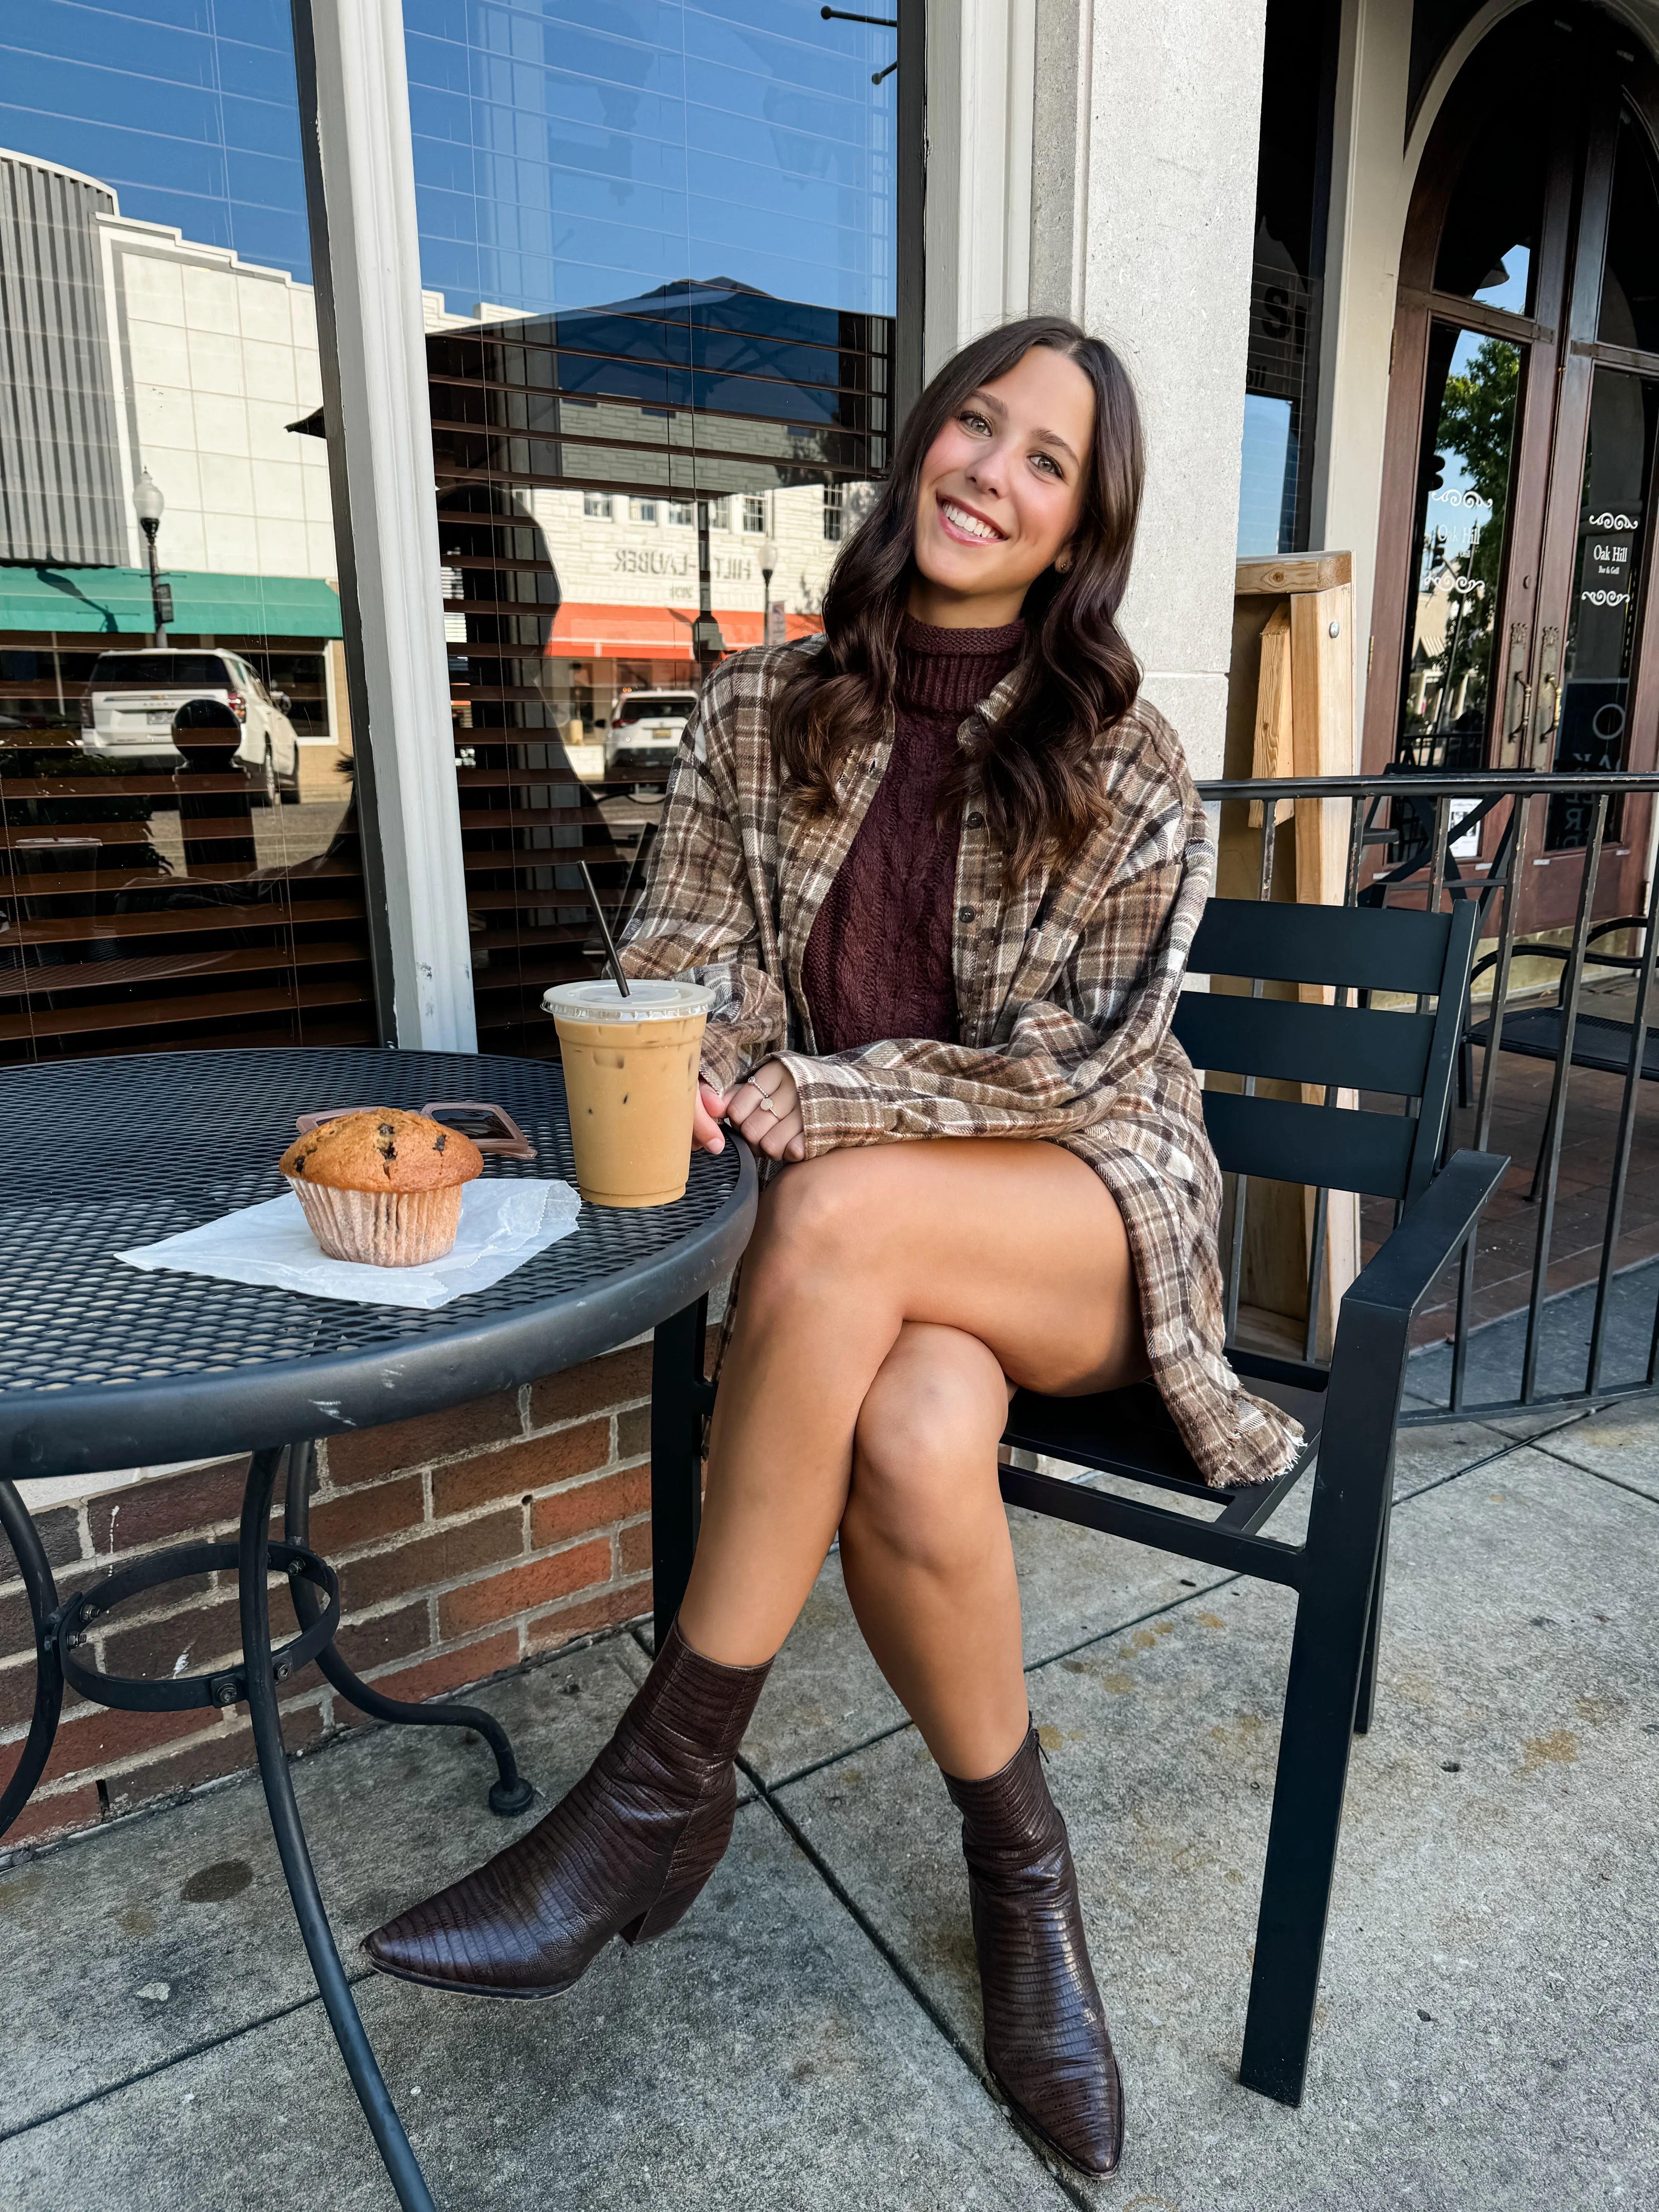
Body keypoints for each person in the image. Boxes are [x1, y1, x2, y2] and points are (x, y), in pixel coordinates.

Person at [364, 315, 1301, 2178]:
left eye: (1050, 464)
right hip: (870, 1259)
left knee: (847, 1205)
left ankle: (655, 1789)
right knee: (916, 1436)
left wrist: (837, 1098)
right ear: (921, 450)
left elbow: (1080, 1061)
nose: (996, 474)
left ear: (1076, 532)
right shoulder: (754, 711)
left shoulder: (1123, 753)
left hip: (1091, 1206)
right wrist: (722, 1060)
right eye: (979, 427)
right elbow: (687, 973)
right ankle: (1025, 1882)